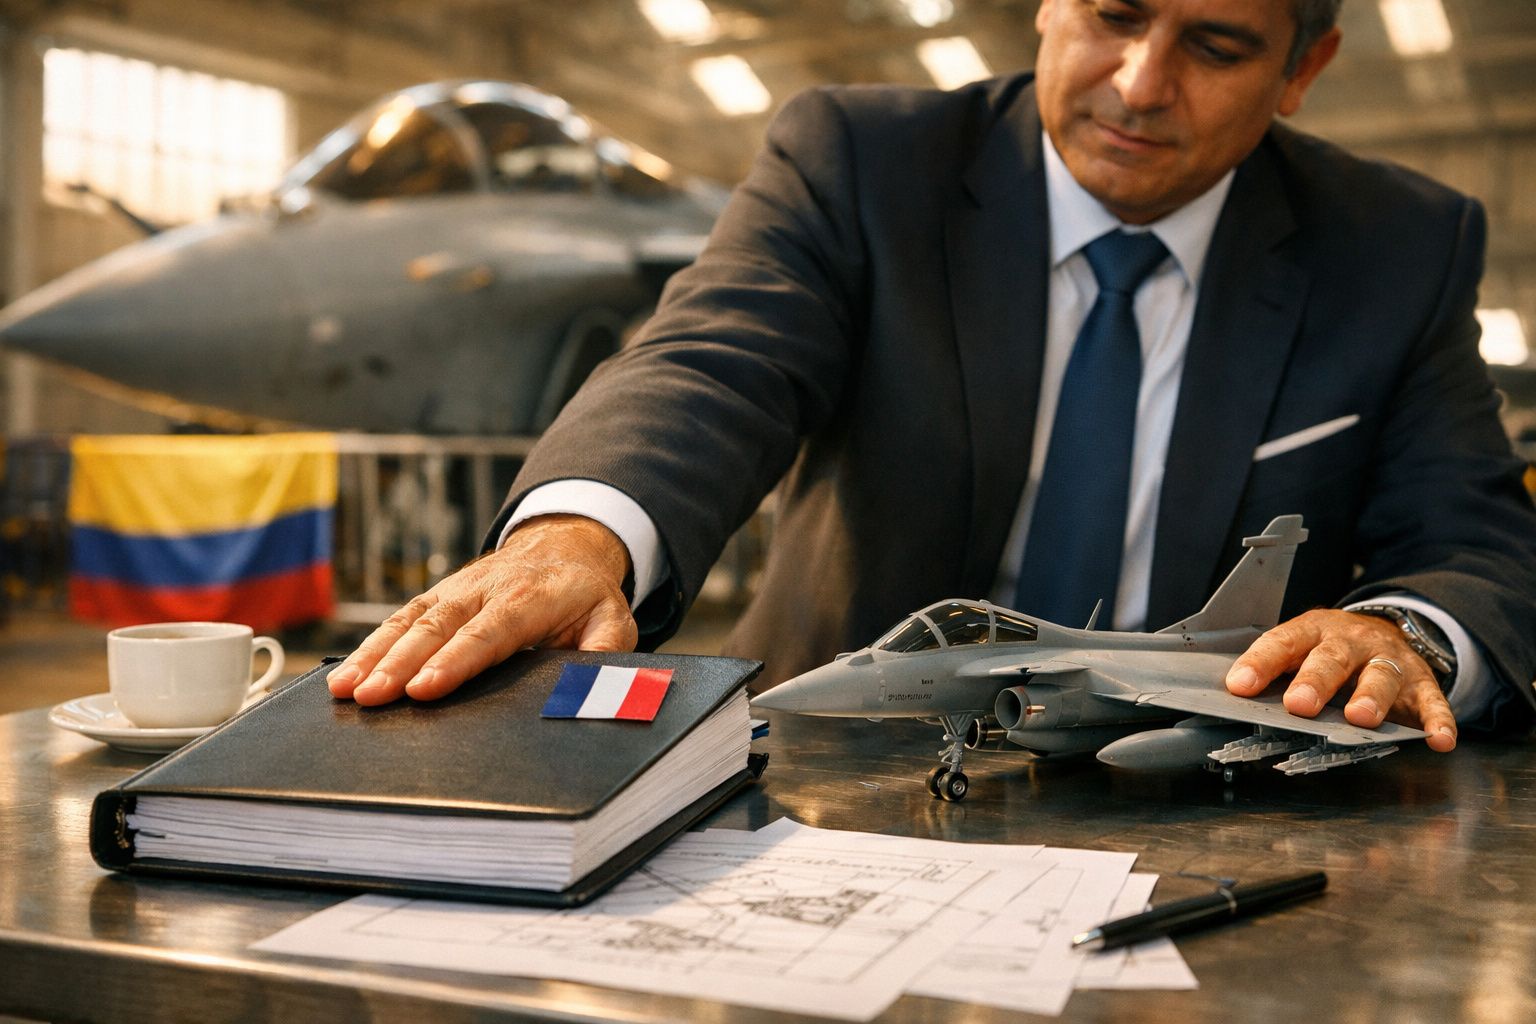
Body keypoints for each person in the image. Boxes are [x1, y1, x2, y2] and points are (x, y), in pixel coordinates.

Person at [327, 0, 1536, 746]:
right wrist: (577, 540)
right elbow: (714, 360)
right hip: (832, 766)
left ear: (1304, 68)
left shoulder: (1396, 247)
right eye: (1116, 13)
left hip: (1197, 794)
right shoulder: (863, 162)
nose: (1140, 84)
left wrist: (1400, 635)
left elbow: (1479, 542)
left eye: (1214, 47)